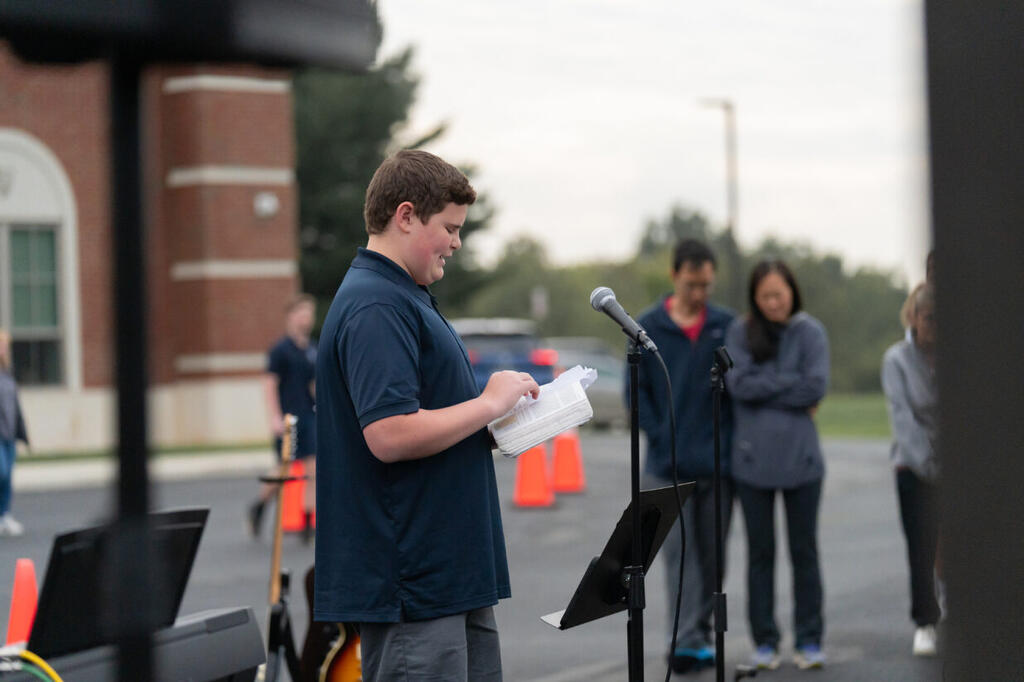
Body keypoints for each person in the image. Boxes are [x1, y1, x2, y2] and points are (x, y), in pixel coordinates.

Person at [313, 149, 539, 681]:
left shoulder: (402, 294)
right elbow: (390, 433)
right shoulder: (376, 304)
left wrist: (494, 423)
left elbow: (427, 416)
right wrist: (487, 403)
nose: (457, 243)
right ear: (406, 216)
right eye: (451, 228)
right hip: (414, 584)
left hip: (445, 576)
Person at [631, 239, 734, 674]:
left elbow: (737, 393)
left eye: (706, 285)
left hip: (718, 465)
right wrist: (663, 437)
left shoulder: (726, 326)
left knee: (714, 557)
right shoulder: (646, 328)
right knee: (679, 556)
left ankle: (700, 632)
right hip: (665, 466)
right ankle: (685, 641)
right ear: (675, 276)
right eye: (692, 284)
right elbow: (638, 395)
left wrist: (728, 444)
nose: (699, 293)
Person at [725, 259, 829, 671]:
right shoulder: (740, 332)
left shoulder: (811, 332)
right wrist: (790, 383)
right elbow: (738, 385)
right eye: (765, 296)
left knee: (804, 551)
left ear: (792, 293)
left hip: (803, 462)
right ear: (755, 297)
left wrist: (766, 386)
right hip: (752, 463)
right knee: (760, 553)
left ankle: (809, 640)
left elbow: (815, 386)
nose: (773, 303)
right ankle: (765, 642)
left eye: (779, 295)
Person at [881, 282, 940, 656]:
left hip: (956, 463)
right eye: (930, 318)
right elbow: (903, 420)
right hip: (913, 465)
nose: (936, 326)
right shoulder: (896, 360)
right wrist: (932, 468)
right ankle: (925, 622)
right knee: (921, 547)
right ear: (914, 318)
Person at [248, 294, 318, 542]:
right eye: (301, 312)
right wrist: (275, 417)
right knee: (284, 468)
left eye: (309, 313)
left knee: (313, 467)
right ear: (290, 316)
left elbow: (313, 384)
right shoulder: (280, 350)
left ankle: (308, 522)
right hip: (288, 418)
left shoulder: (312, 349)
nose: (306, 318)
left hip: (309, 416)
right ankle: (259, 505)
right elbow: (269, 383)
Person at [0, 330, 29, 537]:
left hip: (9, 434)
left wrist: (22, 431)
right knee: (1, 471)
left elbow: (15, 406)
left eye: (5, 345)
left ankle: (5, 515)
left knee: (8, 476)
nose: (3, 348)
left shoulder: (7, 373)